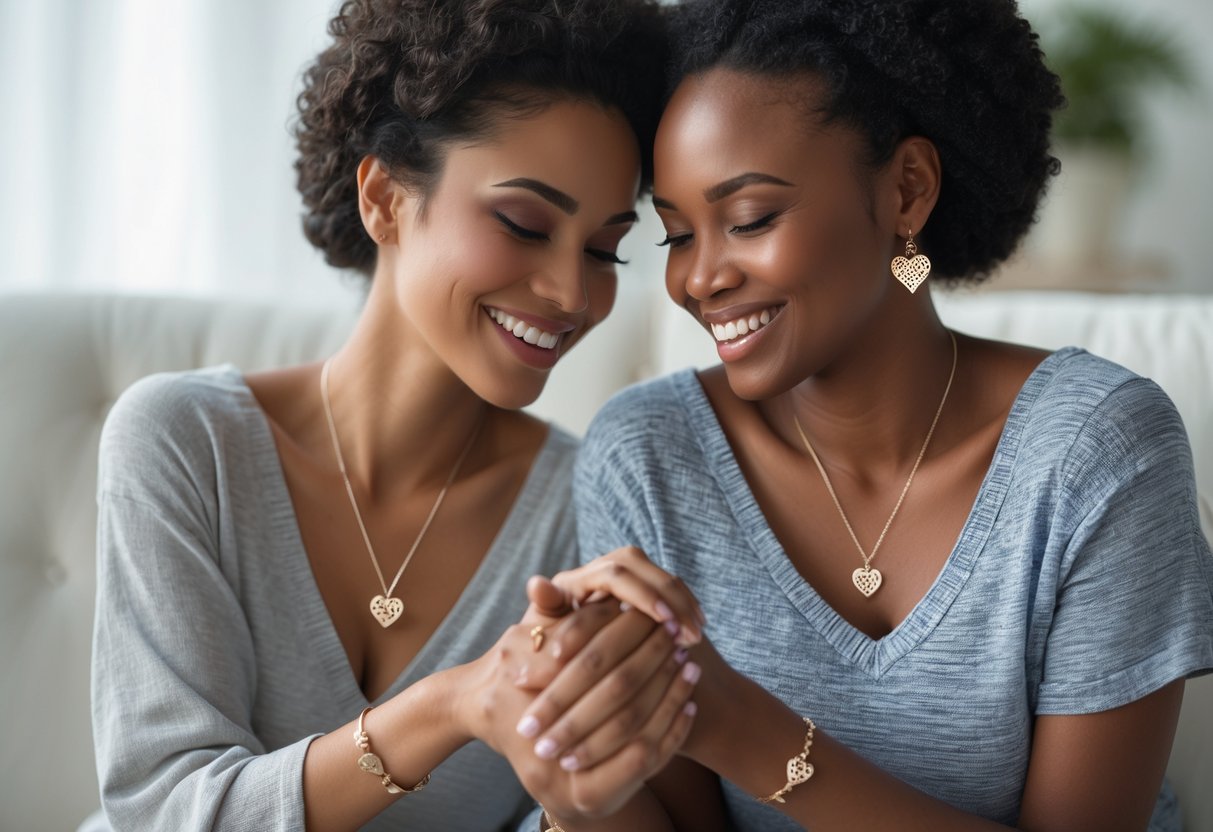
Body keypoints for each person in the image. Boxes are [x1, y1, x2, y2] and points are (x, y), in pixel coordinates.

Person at [513, 0, 1213, 829]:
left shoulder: (1098, 450)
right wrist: (569, 759)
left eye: (748, 219)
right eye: (675, 236)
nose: (699, 279)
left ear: (906, 190)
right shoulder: (648, 457)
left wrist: (739, 726)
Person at [81, 2, 708, 830]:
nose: (572, 294)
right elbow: (161, 811)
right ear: (383, 197)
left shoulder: (589, 509)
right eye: (523, 224)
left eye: (602, 249)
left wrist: (574, 784)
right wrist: (452, 706)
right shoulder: (186, 441)